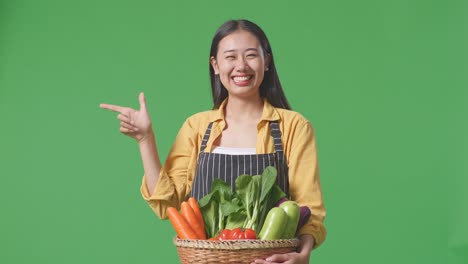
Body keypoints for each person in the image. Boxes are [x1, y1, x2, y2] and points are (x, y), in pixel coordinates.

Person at [100, 19, 326, 264]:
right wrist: (145, 139)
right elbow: (168, 204)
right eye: (230, 57)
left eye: (251, 55)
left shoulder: (293, 127)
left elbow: (308, 209)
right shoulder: (197, 127)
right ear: (215, 65)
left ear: (267, 62)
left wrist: (303, 256)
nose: (241, 66)